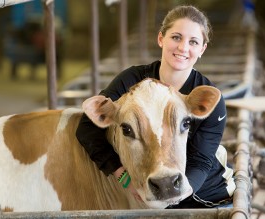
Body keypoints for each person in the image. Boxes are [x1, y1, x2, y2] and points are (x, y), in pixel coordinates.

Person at [76, 5, 236, 208]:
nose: (183, 48)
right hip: (149, 189)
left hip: (207, 195)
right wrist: (124, 178)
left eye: (193, 41)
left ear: (202, 49)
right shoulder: (131, 82)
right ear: (161, 39)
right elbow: (87, 128)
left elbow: (202, 161)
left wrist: (178, 195)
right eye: (176, 37)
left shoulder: (207, 97)